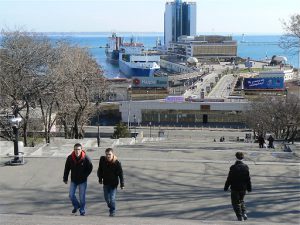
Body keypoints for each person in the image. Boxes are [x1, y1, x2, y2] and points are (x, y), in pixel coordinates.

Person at [63, 143, 93, 216]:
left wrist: (85, 175)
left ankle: (82, 210)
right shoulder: (70, 158)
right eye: (76, 149)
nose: (77, 151)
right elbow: (67, 168)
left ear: (81, 150)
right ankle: (76, 205)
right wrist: (65, 178)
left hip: (82, 180)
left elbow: (90, 167)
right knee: (71, 195)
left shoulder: (86, 158)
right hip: (74, 180)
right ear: (74, 150)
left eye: (79, 149)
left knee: (82, 196)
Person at [224, 152, 252, 221]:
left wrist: (226, 187)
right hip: (243, 188)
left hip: (235, 188)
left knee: (235, 202)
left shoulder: (233, 167)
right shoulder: (246, 167)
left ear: (236, 157)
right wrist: (249, 188)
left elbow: (229, 178)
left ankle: (239, 216)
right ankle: (244, 213)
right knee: (241, 200)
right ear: (243, 158)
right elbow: (248, 179)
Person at [97, 148, 124, 217]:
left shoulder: (117, 163)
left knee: (112, 198)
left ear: (112, 154)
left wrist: (122, 184)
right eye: (107, 154)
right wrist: (100, 179)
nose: (108, 156)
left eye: (109, 154)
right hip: (105, 182)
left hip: (113, 184)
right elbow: (100, 170)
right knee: (106, 198)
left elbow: (121, 174)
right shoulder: (102, 160)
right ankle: (111, 205)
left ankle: (112, 211)